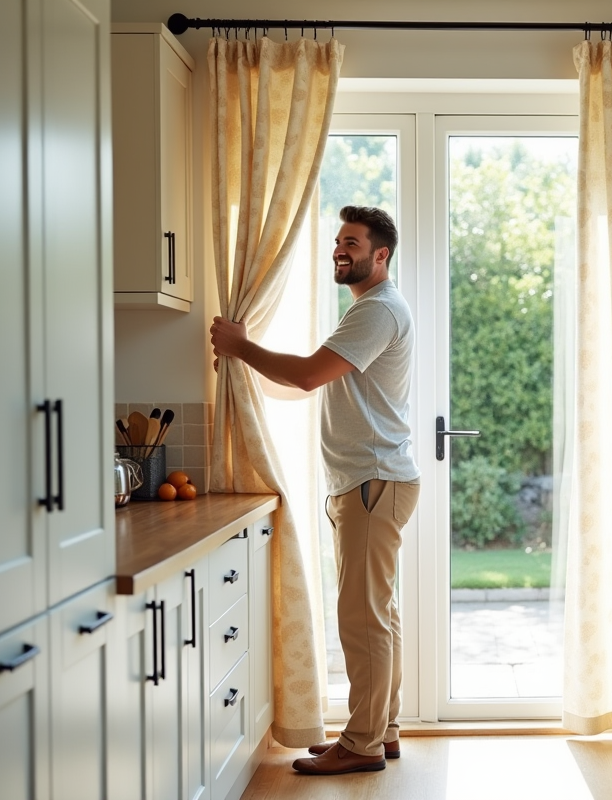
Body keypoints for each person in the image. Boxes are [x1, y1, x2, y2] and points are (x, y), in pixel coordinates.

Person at [209, 205, 420, 776]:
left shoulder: (377, 310)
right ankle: (380, 730)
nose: (338, 250)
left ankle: (363, 743)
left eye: (351, 242)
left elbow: (306, 375)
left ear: (381, 255)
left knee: (364, 618)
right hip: (371, 482)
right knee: (377, 615)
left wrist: (239, 346)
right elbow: (310, 380)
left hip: (373, 483)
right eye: (337, 241)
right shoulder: (370, 310)